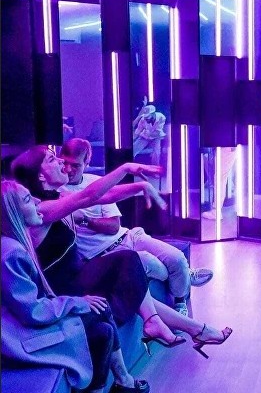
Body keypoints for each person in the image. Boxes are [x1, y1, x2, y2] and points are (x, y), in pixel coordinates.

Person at [11, 146, 233, 360]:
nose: (61, 161)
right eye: (52, 159)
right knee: (130, 260)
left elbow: (104, 195)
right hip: (67, 287)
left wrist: (140, 187)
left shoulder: (59, 195)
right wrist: (126, 168)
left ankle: (194, 328)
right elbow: (88, 196)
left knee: (136, 270)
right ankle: (173, 316)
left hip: (80, 272)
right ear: (41, 176)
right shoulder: (41, 210)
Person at [1, 180, 149, 393]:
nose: (37, 200)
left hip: (28, 322)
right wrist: (75, 303)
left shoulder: (15, 244)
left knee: (103, 330)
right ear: (11, 212)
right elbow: (32, 311)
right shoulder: (11, 253)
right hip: (17, 339)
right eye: (27, 199)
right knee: (100, 309)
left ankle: (122, 382)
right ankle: (124, 380)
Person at [59, 138, 213, 316]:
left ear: (87, 163)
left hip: (128, 237)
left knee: (177, 258)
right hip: (103, 255)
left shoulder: (96, 182)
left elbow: (113, 225)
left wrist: (86, 220)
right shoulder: (55, 191)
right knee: (157, 266)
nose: (68, 169)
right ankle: (185, 276)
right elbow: (85, 198)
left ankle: (181, 296)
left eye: (75, 165)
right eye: (64, 163)